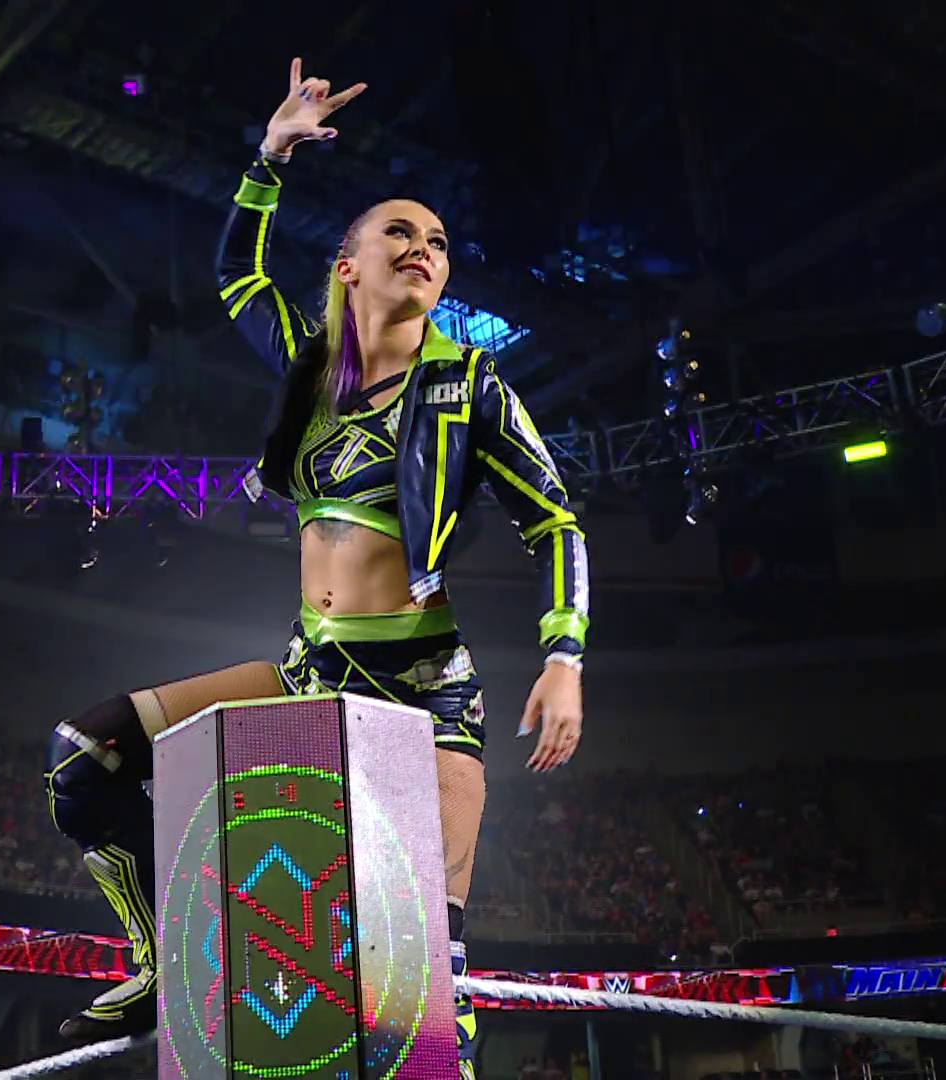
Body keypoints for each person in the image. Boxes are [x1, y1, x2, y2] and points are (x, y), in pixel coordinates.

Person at [42, 58, 590, 1077]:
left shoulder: (471, 384)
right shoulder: (311, 372)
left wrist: (565, 658)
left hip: (423, 690)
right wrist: (269, 156)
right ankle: (162, 962)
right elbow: (237, 277)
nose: (424, 249)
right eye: (400, 233)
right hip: (310, 669)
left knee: (426, 987)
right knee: (85, 757)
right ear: (346, 267)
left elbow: (555, 521)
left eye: (439, 242)